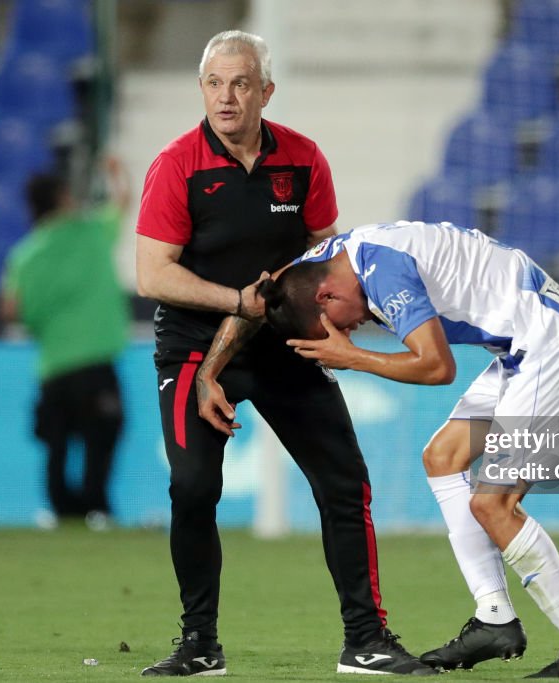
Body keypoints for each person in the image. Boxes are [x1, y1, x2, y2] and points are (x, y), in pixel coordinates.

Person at [134, 31, 436, 677]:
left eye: (241, 82)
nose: (227, 95)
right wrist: (237, 302)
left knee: (345, 483)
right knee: (192, 488)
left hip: (286, 345)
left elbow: (328, 254)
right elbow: (152, 274)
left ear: (266, 91)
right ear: (201, 89)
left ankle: (366, 639)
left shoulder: (303, 159)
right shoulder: (177, 164)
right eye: (215, 82)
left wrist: (338, 328)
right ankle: (198, 642)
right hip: (192, 348)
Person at [250, 220, 559, 679]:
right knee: (443, 458)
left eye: (341, 325)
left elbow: (436, 366)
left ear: (326, 296)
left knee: (495, 503)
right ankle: (495, 619)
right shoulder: (331, 259)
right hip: (526, 347)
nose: (354, 329)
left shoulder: (382, 272)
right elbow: (269, 287)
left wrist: (353, 358)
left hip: (555, 346)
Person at [0, 158, 132, 530]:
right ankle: (97, 510)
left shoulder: (24, 255)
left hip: (54, 366)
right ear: (61, 198)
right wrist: (116, 174)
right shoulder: (90, 233)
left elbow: (11, 310)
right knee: (101, 437)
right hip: (96, 363)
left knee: (57, 442)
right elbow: (122, 204)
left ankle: (60, 511)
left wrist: (43, 316)